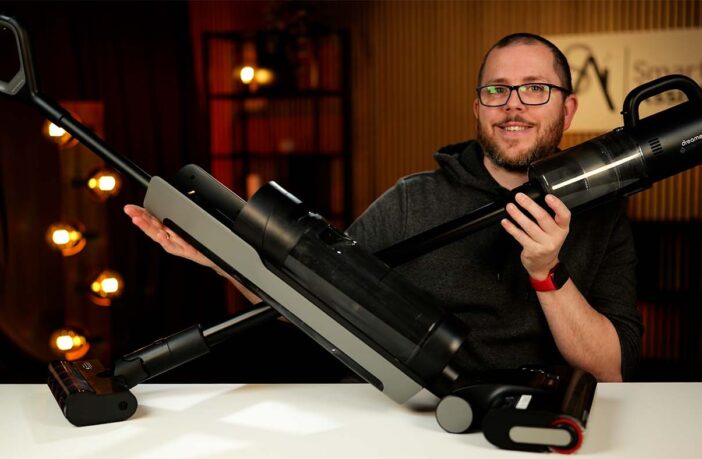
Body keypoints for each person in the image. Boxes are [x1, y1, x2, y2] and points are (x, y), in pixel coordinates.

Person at [124, 33, 642, 382]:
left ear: (567, 109)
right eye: (497, 90)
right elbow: (310, 297)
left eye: (535, 89)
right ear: (477, 106)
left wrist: (546, 272)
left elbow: (610, 369)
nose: (513, 104)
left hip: (536, 416)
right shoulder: (412, 200)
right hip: (410, 418)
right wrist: (221, 256)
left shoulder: (602, 212)